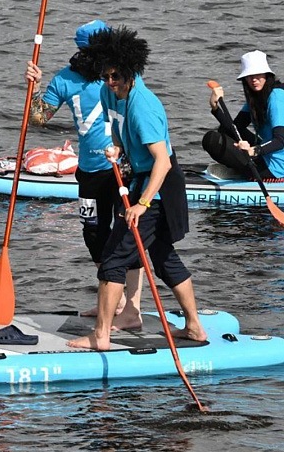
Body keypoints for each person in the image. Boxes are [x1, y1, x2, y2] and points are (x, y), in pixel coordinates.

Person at [67, 26, 207, 351]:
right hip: (142, 179)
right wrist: (117, 149)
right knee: (162, 255)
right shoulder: (108, 93)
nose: (110, 82)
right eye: (105, 76)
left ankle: (101, 336)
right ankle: (194, 328)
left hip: (160, 184)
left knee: (113, 258)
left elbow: (163, 162)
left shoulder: (144, 106)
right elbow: (117, 129)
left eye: (116, 76)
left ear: (131, 73)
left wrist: (142, 203)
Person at [25, 20, 143, 328]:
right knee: (93, 233)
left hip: (121, 168)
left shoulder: (122, 75)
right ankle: (113, 300)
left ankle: (133, 309)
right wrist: (34, 88)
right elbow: (38, 119)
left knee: (127, 235)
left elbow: (140, 112)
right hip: (89, 171)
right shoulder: (64, 79)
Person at [202, 50, 284, 180]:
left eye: (258, 74)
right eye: (249, 75)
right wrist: (215, 107)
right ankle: (241, 168)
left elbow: (281, 140)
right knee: (224, 130)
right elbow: (234, 128)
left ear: (267, 75)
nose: (254, 79)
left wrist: (254, 150)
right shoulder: (256, 97)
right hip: (266, 155)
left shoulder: (276, 97)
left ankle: (242, 170)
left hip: (277, 167)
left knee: (211, 140)